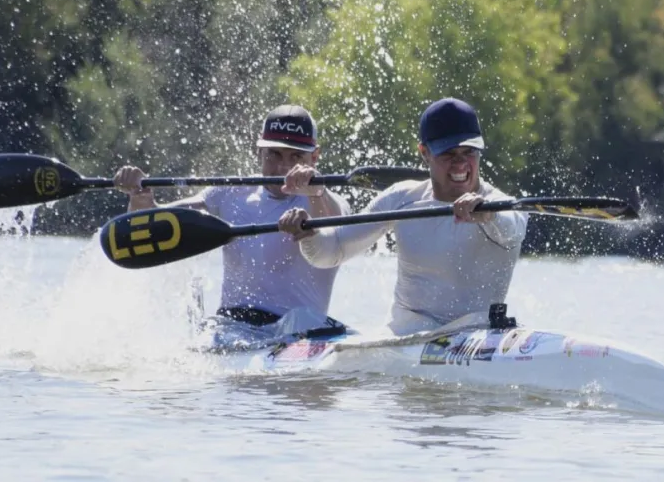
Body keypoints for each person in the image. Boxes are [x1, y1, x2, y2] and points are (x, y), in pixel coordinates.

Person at [278, 97, 528, 335]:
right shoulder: (401, 198)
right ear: (424, 153)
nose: (461, 164)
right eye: (448, 154)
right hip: (405, 337)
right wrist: (308, 234)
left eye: (469, 153)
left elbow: (513, 228)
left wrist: (488, 215)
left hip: (476, 335)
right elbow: (332, 252)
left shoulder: (499, 205)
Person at [114, 105, 351, 347]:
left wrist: (316, 193)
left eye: (296, 157)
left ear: (315, 157)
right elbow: (158, 223)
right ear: (258, 151)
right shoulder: (229, 194)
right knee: (214, 332)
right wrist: (140, 198)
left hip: (297, 330)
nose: (283, 168)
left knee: (302, 319)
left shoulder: (325, 201)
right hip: (231, 328)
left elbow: (336, 234)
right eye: (274, 155)